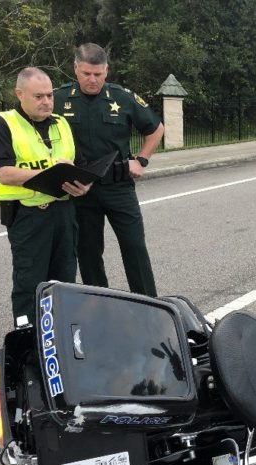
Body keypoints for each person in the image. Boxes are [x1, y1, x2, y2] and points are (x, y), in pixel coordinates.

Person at [53, 43, 164, 297]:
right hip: (82, 191)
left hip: (119, 186)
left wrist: (142, 160)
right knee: (89, 254)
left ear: (106, 71)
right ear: (75, 69)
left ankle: (148, 305)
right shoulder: (59, 99)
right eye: (86, 74)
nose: (93, 80)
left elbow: (156, 128)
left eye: (98, 74)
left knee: (134, 247)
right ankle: (101, 307)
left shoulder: (122, 97)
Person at [0, 67, 91, 325]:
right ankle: (26, 344)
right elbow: (5, 172)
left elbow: (79, 164)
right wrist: (51, 170)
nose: (46, 101)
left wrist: (84, 185)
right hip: (28, 216)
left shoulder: (61, 123)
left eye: (49, 95)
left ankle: (60, 336)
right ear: (20, 94)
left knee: (64, 280)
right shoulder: (3, 124)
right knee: (30, 282)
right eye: (39, 96)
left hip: (64, 213)